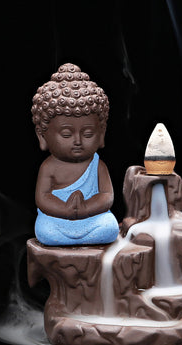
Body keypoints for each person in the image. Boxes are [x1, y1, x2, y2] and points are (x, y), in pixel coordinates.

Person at [31, 63, 119, 246]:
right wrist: (65, 210)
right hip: (57, 219)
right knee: (46, 231)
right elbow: (43, 197)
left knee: (110, 227)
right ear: (42, 136)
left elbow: (106, 195)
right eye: (66, 134)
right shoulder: (49, 167)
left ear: (101, 134)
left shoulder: (98, 165)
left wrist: (86, 208)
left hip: (91, 218)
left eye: (88, 134)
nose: (78, 141)